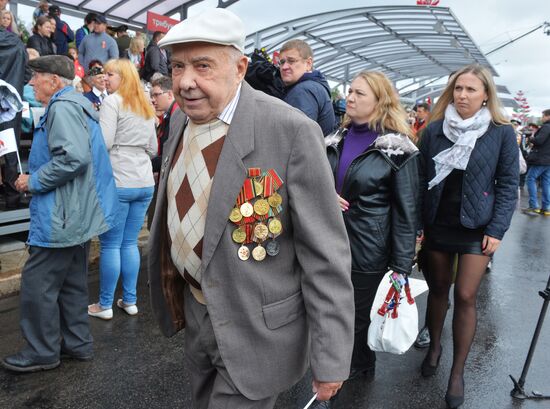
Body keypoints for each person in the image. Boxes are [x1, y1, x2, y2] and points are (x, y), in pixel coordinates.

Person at [148, 8, 354, 409]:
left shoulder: (291, 131)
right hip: (197, 316)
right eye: (177, 67)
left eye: (202, 66)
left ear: (240, 67)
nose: (186, 82)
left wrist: (331, 359)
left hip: (257, 332)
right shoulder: (179, 123)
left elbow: (325, 256)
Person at [1, 55, 118, 373]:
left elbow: (72, 159)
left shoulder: (63, 107)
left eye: (36, 76)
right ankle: (77, 344)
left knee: (37, 283)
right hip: (76, 214)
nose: (30, 82)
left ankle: (42, 351)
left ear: (54, 80)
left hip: (62, 216)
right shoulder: (76, 104)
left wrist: (32, 181)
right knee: (71, 284)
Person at [419, 64, 518, 408]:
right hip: (438, 222)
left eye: (471, 90)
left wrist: (497, 229)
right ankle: (434, 346)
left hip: (478, 225)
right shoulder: (434, 130)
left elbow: (508, 184)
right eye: (458, 88)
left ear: (486, 95)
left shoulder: (501, 132)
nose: (462, 95)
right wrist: (418, 225)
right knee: (438, 288)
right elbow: (420, 180)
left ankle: (457, 372)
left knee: (465, 294)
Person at [326, 70, 421, 381]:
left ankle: (344, 377)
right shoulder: (332, 138)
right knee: (330, 313)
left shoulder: (399, 148)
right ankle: (348, 369)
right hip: (326, 241)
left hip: (367, 248)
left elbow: (407, 211)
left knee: (354, 319)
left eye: (359, 93)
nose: (349, 98)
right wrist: (325, 195)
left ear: (381, 101)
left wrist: (401, 266)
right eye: (349, 91)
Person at [88, 59, 157, 320]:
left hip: (119, 180)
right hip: (143, 181)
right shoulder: (145, 104)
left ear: (124, 77)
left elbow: (104, 143)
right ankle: (130, 300)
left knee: (111, 245)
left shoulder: (112, 102)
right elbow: (153, 148)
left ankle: (104, 304)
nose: (105, 78)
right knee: (129, 243)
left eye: (110, 74)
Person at [279, 39, 336, 136]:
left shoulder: (303, 91)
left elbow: (298, 138)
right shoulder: (315, 86)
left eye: (291, 61)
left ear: (308, 64)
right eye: (282, 62)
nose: (284, 67)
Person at [0, 19, 27, 210]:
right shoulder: (15, 42)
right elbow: (25, 74)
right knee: (8, 149)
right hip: (8, 105)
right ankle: (11, 199)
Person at [522, 109, 550, 216]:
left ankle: (534, 206)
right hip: (548, 161)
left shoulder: (546, 127)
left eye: (543, 116)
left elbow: (539, 141)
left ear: (548, 116)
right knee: (546, 183)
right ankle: (546, 208)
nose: (542, 118)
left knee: (530, 178)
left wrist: (531, 138)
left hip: (541, 159)